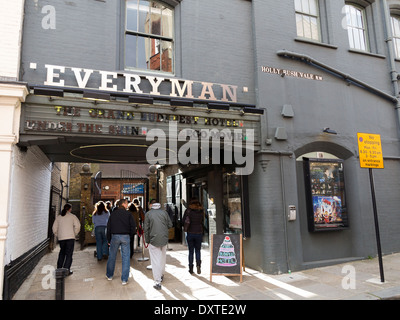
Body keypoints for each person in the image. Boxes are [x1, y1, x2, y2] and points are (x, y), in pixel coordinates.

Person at [106, 198, 136, 285]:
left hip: (114, 236)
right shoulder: (128, 214)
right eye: (126, 203)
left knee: (112, 256)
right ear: (123, 204)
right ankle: (124, 279)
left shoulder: (113, 214)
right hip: (125, 236)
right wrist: (129, 236)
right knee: (126, 258)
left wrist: (108, 239)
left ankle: (109, 275)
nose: (127, 205)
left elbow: (109, 227)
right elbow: (133, 227)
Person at [144, 200, 172, 290]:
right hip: (164, 239)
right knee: (162, 258)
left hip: (153, 239)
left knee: (155, 261)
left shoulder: (148, 214)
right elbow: (170, 224)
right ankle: (161, 274)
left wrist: (147, 240)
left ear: (151, 206)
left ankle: (157, 281)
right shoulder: (164, 213)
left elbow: (146, 228)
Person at [52, 203, 81, 276]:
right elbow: (78, 226)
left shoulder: (59, 217)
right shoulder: (73, 217)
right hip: (70, 238)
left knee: (62, 253)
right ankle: (66, 270)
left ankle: (59, 268)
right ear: (70, 209)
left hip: (62, 238)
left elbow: (54, 228)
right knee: (69, 254)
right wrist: (74, 233)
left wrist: (58, 235)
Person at [182, 198, 204, 275]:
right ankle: (198, 265)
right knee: (198, 250)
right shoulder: (201, 211)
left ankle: (191, 268)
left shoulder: (188, 211)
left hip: (190, 232)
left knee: (191, 251)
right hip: (199, 232)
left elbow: (183, 221)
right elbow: (202, 221)